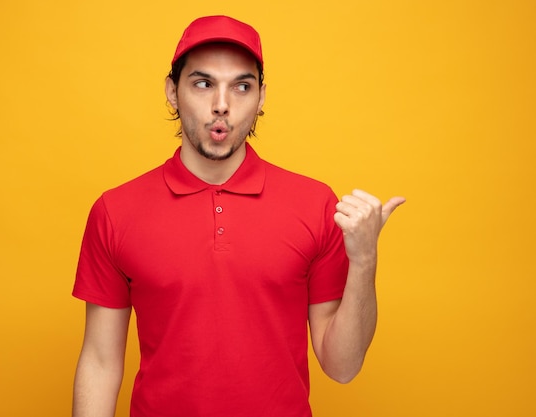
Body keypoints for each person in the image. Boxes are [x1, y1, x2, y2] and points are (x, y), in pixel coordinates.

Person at [72, 15, 405, 417]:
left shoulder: (315, 205)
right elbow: (101, 362)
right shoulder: (116, 211)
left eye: (241, 86)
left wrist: (365, 260)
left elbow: (343, 366)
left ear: (261, 97)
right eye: (203, 83)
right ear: (172, 92)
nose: (221, 105)